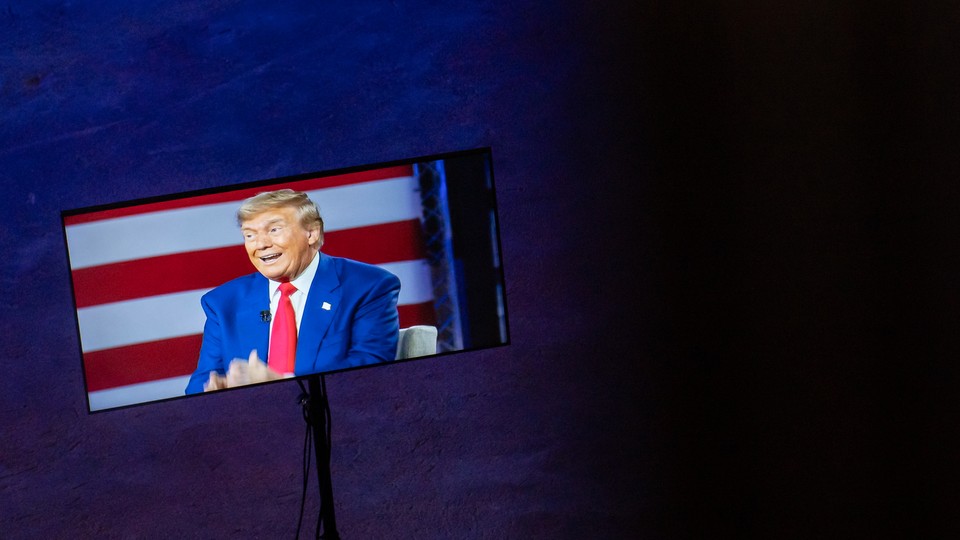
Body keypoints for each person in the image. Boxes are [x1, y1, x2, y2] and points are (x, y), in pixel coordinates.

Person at [184, 189, 401, 394]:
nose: (260, 244)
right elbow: (198, 385)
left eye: (274, 230)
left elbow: (371, 373)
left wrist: (285, 386)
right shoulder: (224, 303)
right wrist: (215, 390)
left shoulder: (368, 287)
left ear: (312, 233)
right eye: (249, 235)